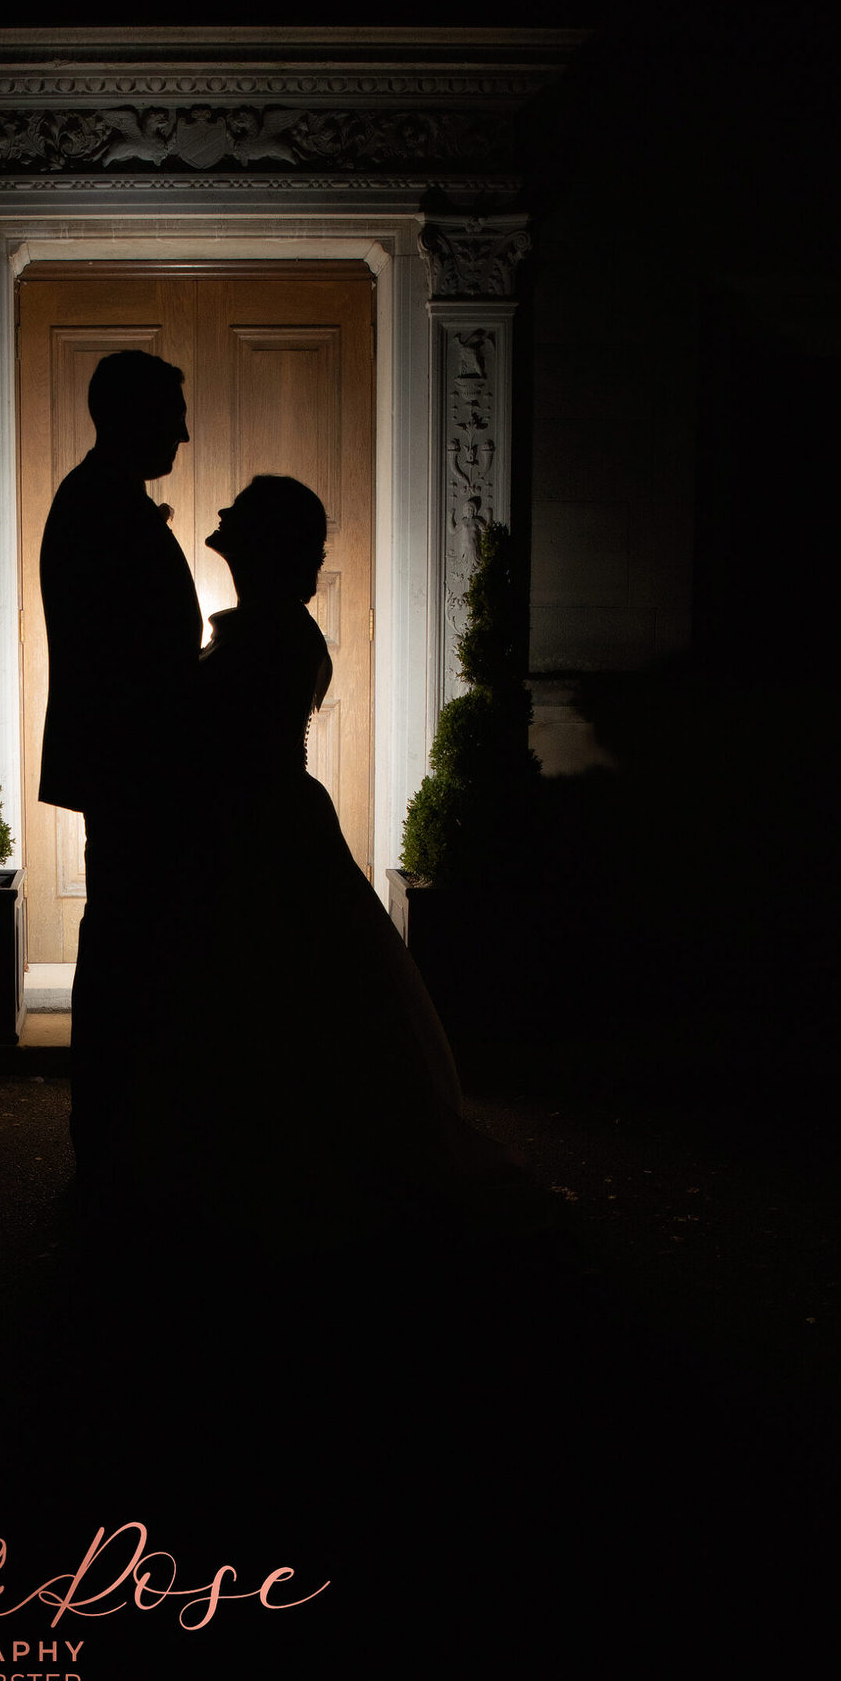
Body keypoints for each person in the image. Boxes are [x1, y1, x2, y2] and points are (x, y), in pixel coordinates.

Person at [129, 473, 548, 1251]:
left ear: (265, 544)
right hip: (261, 821)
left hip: (258, 829)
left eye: (239, 513)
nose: (220, 516)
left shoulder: (274, 635)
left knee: (277, 990)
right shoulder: (265, 628)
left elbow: (217, 731)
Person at [38, 349, 202, 1192]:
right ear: (132, 415)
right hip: (136, 768)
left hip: (135, 766)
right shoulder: (100, 508)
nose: (183, 429)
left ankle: (124, 1122)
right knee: (128, 943)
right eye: (172, 412)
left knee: (132, 940)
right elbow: (126, 658)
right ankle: (114, 1129)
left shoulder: (105, 501)